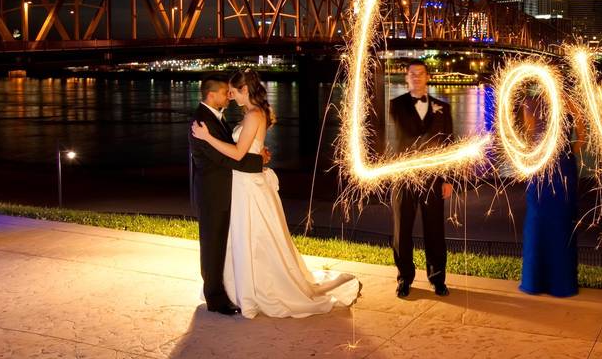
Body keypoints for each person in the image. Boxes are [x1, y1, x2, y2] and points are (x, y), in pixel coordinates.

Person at [192, 69, 359, 318]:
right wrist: (258, 155)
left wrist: (208, 137)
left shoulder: (253, 115)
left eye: (234, 92)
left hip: (248, 186)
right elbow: (245, 151)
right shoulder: (252, 114)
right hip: (241, 184)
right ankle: (238, 286)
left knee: (254, 237)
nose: (231, 97)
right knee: (244, 237)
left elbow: (238, 153)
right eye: (227, 93)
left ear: (245, 90)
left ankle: (255, 287)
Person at [189, 75, 266, 315]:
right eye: (225, 93)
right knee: (212, 245)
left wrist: (257, 155)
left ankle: (223, 289)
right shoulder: (201, 123)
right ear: (212, 96)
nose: (229, 97)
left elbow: (230, 150)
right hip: (213, 193)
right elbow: (223, 158)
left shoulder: (215, 118)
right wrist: (257, 161)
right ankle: (215, 298)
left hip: (224, 190)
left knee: (221, 242)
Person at [388, 60, 454, 298]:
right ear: (406, 78)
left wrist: (448, 178)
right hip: (403, 176)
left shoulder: (442, 108)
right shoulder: (394, 106)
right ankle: (404, 278)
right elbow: (392, 139)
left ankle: (437, 278)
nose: (416, 77)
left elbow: (448, 145)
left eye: (420, 73)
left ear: (428, 77)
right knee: (402, 230)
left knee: (435, 230)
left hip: (434, 178)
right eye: (412, 74)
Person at [519, 96, 584, 297]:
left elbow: (581, 134)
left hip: (562, 169)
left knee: (562, 222)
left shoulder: (571, 102)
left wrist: (564, 154)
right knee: (537, 220)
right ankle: (535, 280)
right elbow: (529, 135)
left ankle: (560, 282)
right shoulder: (529, 102)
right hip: (540, 168)